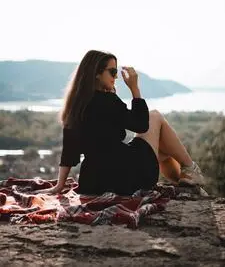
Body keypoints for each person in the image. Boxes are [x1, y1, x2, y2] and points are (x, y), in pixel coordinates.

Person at [39, 50, 205, 195]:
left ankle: (185, 182)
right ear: (96, 73)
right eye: (112, 72)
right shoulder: (108, 100)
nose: (116, 77)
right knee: (154, 116)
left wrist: (59, 185)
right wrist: (135, 89)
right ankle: (190, 169)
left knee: (163, 151)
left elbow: (69, 151)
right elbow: (141, 125)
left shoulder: (74, 107)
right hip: (127, 175)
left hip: (93, 182)